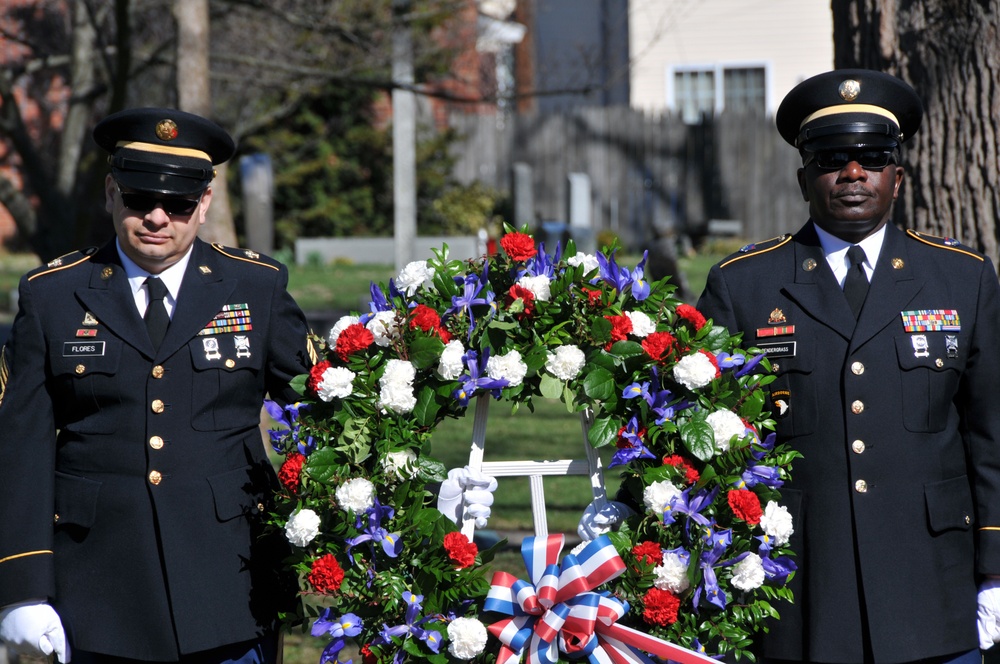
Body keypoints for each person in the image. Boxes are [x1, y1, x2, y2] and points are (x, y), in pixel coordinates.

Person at [697, 69, 1000, 663]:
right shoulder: (746, 285)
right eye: (832, 158)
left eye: (872, 157)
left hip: (932, 583)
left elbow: (992, 436)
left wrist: (995, 571)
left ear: (898, 174)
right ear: (803, 175)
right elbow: (705, 438)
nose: (853, 173)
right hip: (802, 586)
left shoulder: (962, 278)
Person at [0, 108, 314, 663]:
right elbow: (19, 445)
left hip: (229, 585)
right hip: (97, 591)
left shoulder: (254, 286)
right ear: (110, 193)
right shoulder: (53, 296)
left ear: (207, 201)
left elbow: (327, 405)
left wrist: (413, 485)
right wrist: (21, 587)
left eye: (179, 204)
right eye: (140, 198)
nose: (157, 218)